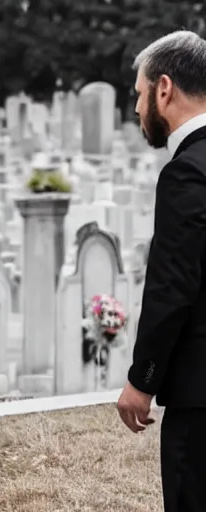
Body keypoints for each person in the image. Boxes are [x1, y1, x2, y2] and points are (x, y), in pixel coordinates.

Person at [116, 31, 206, 511]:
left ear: (164, 89)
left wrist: (142, 379)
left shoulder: (188, 171)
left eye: (138, 93)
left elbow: (174, 285)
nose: (136, 108)